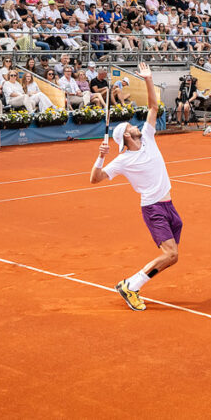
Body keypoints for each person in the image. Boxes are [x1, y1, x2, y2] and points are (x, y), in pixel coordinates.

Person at [89, 63, 178, 312]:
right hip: (154, 208)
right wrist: (100, 157)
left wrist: (149, 79)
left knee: (172, 256)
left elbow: (153, 106)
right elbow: (94, 179)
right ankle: (130, 285)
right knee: (170, 254)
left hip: (168, 205)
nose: (134, 125)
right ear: (127, 136)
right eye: (130, 127)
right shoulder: (123, 160)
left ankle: (131, 284)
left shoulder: (148, 136)